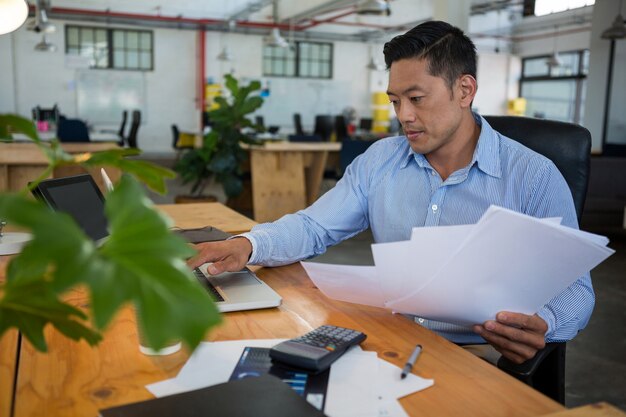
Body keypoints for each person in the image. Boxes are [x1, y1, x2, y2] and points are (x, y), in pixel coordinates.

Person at [189, 21, 594, 365]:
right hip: (389, 341)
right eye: (396, 101)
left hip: (478, 354)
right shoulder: (381, 160)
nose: (404, 116)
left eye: (416, 99)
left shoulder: (533, 176)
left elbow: (576, 289)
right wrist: (249, 244)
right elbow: (314, 226)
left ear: (464, 90)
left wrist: (545, 322)